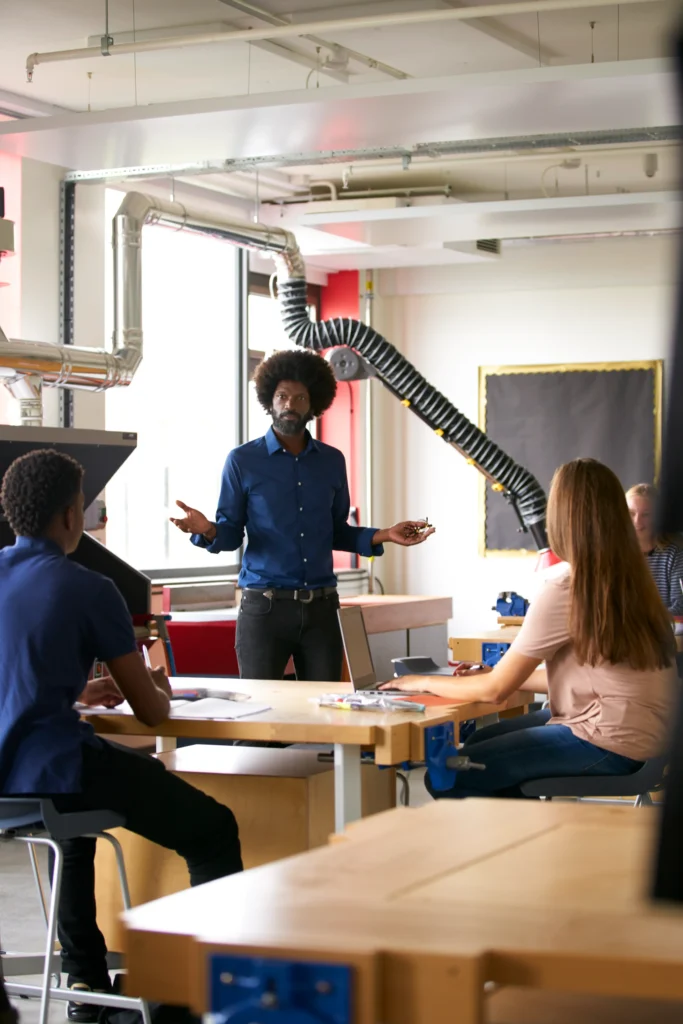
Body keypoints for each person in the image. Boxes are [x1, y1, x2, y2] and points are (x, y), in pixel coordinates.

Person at [0, 450, 243, 1020]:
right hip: (53, 769)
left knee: (76, 829)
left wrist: (77, 693)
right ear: (70, 515)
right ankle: (193, 995)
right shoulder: (88, 587)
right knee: (212, 829)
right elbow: (153, 714)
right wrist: (154, 683)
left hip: (9, 784)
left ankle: (87, 991)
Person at [383, 458, 677, 799]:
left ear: (561, 519)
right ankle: (526, 832)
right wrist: (496, 670)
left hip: (609, 741)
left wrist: (413, 681)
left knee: (449, 771)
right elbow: (589, 673)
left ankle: (519, 842)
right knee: (479, 742)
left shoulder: (569, 585)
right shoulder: (630, 577)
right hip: (648, 737)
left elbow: (495, 691)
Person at [171, 349, 434, 681]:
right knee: (257, 719)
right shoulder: (242, 461)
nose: (289, 404)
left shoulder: (331, 461)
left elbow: (336, 531)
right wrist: (207, 529)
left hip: (322, 611)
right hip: (264, 609)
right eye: (282, 396)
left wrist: (385, 534)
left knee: (324, 716)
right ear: (270, 399)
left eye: (299, 397)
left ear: (314, 404)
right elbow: (230, 534)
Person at [626, 482, 683, 615]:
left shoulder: (674, 553)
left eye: (646, 515)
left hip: (663, 631)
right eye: (631, 513)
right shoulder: (616, 551)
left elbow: (680, 607)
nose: (637, 522)